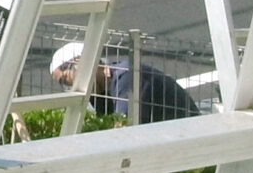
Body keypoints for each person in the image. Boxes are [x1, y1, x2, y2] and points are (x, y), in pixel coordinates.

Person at [49, 39, 199, 122]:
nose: (68, 86)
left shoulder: (127, 76)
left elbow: (123, 128)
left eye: (64, 79)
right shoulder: (100, 91)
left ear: (80, 61)